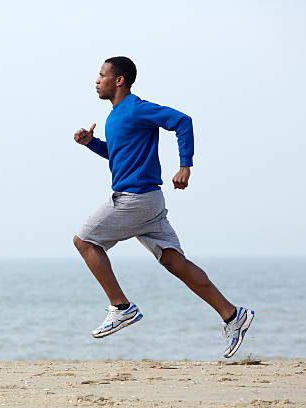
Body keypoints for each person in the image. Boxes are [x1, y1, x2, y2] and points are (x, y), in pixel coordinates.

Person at [73, 56, 254, 358]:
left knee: (84, 241)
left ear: (119, 80)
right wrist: (92, 143)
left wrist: (186, 165)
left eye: (102, 75)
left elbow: (182, 121)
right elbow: (120, 157)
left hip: (135, 200)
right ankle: (233, 316)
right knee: (175, 263)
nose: (97, 80)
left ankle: (121, 307)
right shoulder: (115, 116)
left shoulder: (137, 108)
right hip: (149, 201)